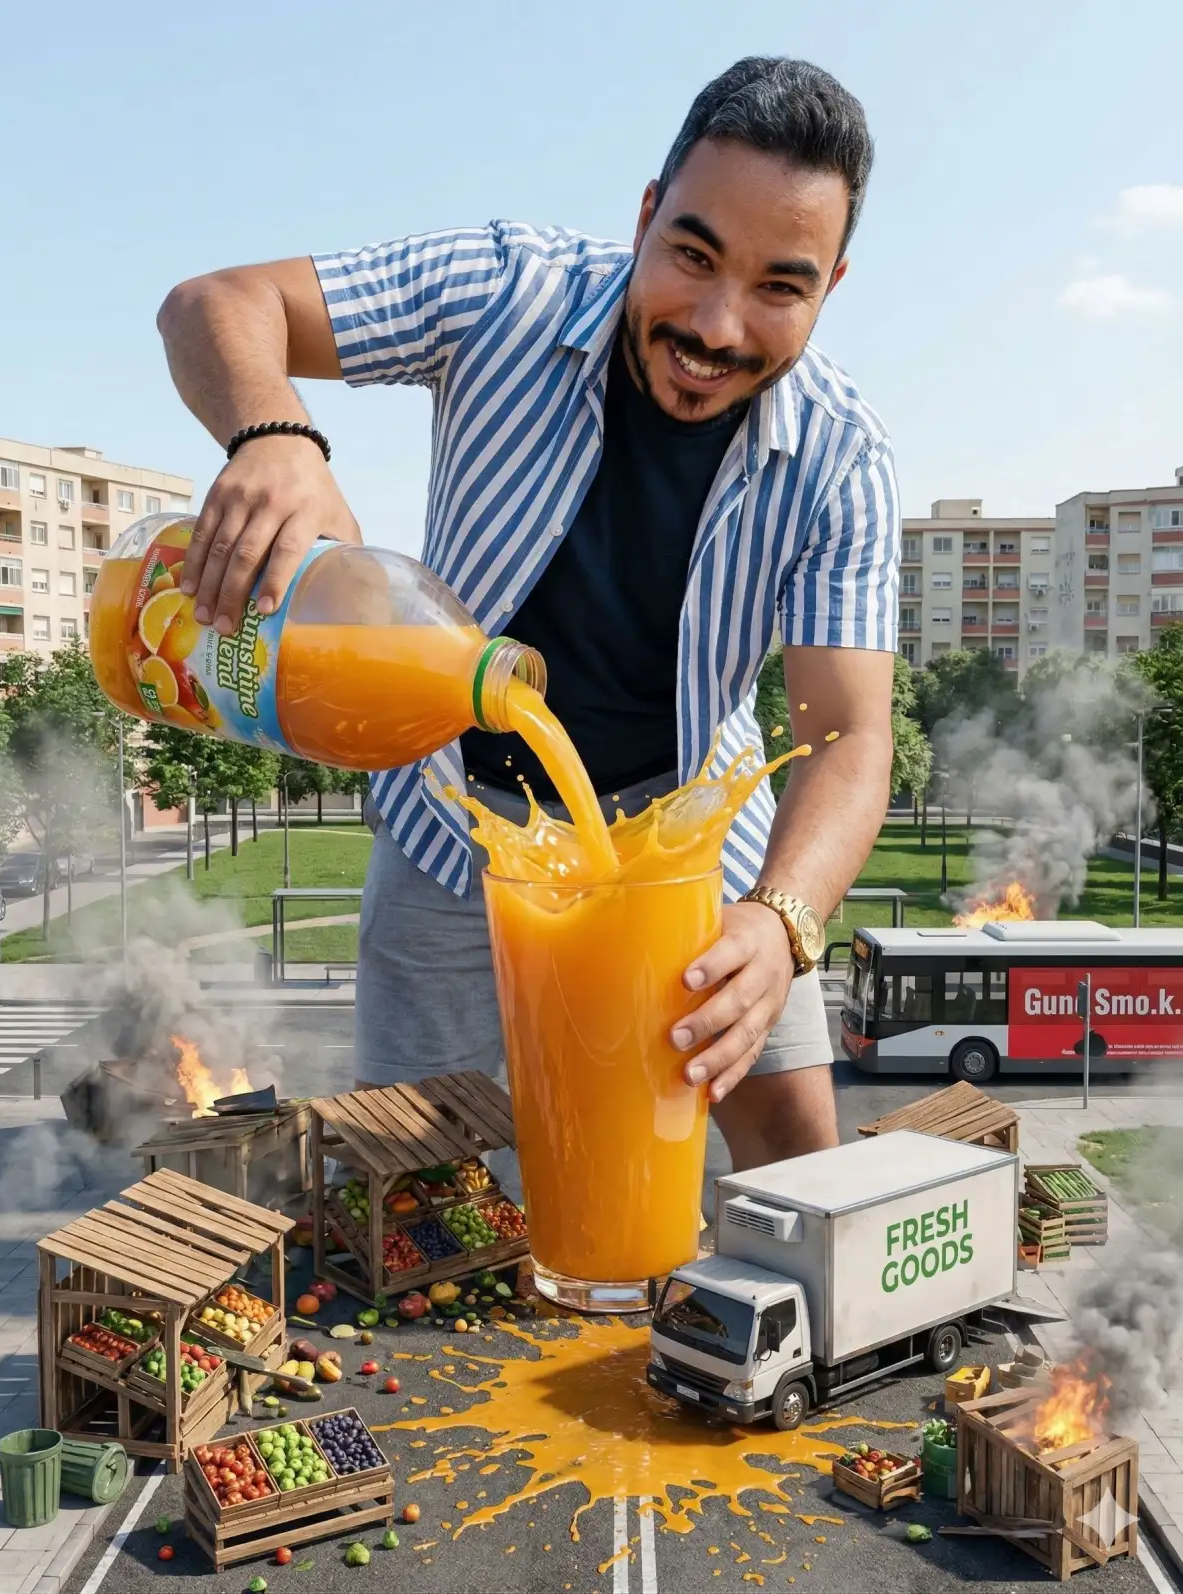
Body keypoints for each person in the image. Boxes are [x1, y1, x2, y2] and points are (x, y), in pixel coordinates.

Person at [156, 56, 900, 1172]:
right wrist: (273, 436)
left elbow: (847, 736)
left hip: (689, 846)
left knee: (805, 1170)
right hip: (455, 826)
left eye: (777, 288)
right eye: (692, 255)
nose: (715, 324)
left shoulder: (844, 457)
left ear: (830, 288)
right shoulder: (508, 286)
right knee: (415, 1192)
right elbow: (216, 304)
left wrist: (779, 920)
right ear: (646, 215)